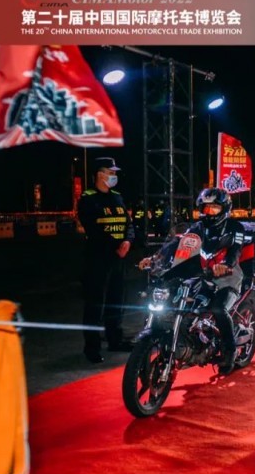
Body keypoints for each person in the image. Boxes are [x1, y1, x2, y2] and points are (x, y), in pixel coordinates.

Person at [138, 187, 244, 375]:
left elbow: (235, 250)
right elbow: (176, 244)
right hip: (202, 273)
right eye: (206, 208)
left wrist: (226, 264)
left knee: (218, 308)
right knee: (182, 301)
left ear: (225, 209)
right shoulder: (197, 228)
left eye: (214, 208)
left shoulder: (235, 228)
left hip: (227, 275)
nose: (209, 212)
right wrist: (155, 259)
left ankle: (230, 351)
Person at [77, 157, 135, 364]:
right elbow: (93, 229)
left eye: (115, 173)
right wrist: (116, 246)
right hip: (98, 259)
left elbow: (128, 224)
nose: (114, 176)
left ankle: (115, 340)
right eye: (111, 173)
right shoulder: (88, 199)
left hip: (118, 259)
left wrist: (127, 241)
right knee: (95, 304)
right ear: (100, 175)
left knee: (116, 301)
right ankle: (92, 348)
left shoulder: (117, 198)